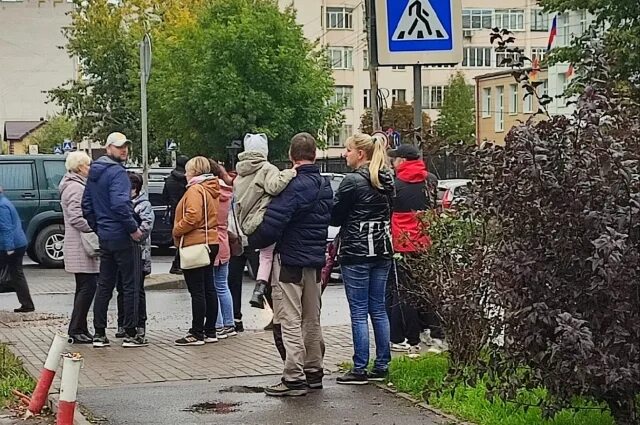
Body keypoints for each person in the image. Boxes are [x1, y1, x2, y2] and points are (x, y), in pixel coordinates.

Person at [249, 132, 333, 397]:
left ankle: (293, 377)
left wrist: (254, 239)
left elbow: (274, 223)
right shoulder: (325, 185)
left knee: (290, 319)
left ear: (291, 156)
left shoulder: (292, 186)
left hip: (289, 261)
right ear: (315, 154)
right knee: (312, 319)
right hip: (315, 261)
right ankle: (314, 371)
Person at [331, 133, 394, 385]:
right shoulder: (386, 179)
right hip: (382, 249)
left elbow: (335, 217)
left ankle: (359, 368)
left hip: (357, 252)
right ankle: (382, 364)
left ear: (360, 153)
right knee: (378, 308)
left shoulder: (352, 181)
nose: (344, 154)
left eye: (347, 150)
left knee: (358, 312)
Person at [82, 132, 146, 348]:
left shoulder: (94, 173)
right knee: (130, 285)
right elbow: (120, 204)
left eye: (126, 146)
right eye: (120, 147)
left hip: (106, 237)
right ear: (109, 148)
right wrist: (133, 229)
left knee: (105, 285)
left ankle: (99, 333)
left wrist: (99, 228)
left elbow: (86, 206)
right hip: (122, 235)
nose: (124, 150)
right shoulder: (118, 173)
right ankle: (130, 333)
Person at [234, 133, 296, 310]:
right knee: (270, 257)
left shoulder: (240, 174)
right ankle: (265, 292)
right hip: (264, 221)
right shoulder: (266, 169)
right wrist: (289, 172)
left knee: (265, 256)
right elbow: (274, 187)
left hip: (248, 225)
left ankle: (260, 288)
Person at [387, 144, 431, 358]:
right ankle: (430, 332)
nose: (393, 163)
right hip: (426, 244)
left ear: (403, 161)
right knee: (425, 290)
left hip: (403, 246)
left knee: (403, 293)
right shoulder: (429, 181)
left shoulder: (396, 186)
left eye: (395, 159)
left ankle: (406, 338)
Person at [172, 156, 220, 346]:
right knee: (209, 287)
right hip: (211, 241)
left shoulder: (194, 189)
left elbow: (193, 216)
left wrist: (177, 229)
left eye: (188, 170)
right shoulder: (212, 188)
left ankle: (196, 332)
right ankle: (210, 330)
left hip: (195, 242)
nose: (185, 174)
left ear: (194, 172)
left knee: (197, 290)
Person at [59, 151, 98, 343]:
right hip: (80, 245)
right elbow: (76, 216)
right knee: (88, 287)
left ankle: (80, 327)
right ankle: (76, 329)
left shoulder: (73, 185)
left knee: (85, 287)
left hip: (79, 244)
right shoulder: (76, 188)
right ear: (80, 167)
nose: (90, 168)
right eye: (88, 165)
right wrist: (93, 228)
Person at [115, 172, 153, 339]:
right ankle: (122, 322)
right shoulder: (121, 202)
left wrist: (133, 234)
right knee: (122, 289)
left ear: (134, 189)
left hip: (139, 253)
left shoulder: (143, 205)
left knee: (137, 289)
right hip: (121, 252)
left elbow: (146, 227)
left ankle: (139, 323)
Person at [208, 160, 237, 339]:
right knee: (222, 286)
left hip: (211, 240)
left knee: (211, 286)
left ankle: (217, 324)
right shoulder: (227, 191)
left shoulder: (210, 192)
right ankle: (229, 323)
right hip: (224, 240)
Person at [0, 186, 35, 313]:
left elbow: (6, 228)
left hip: (9, 246)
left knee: (17, 274)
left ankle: (27, 304)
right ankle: (27, 304)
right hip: (18, 243)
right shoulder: (4, 201)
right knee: (17, 274)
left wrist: (9, 247)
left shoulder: (1, 206)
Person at [163, 155, 189, 275]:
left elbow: (164, 198)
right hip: (186, 211)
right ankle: (178, 264)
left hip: (174, 212)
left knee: (178, 239)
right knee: (186, 239)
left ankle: (178, 264)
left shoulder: (169, 180)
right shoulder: (187, 180)